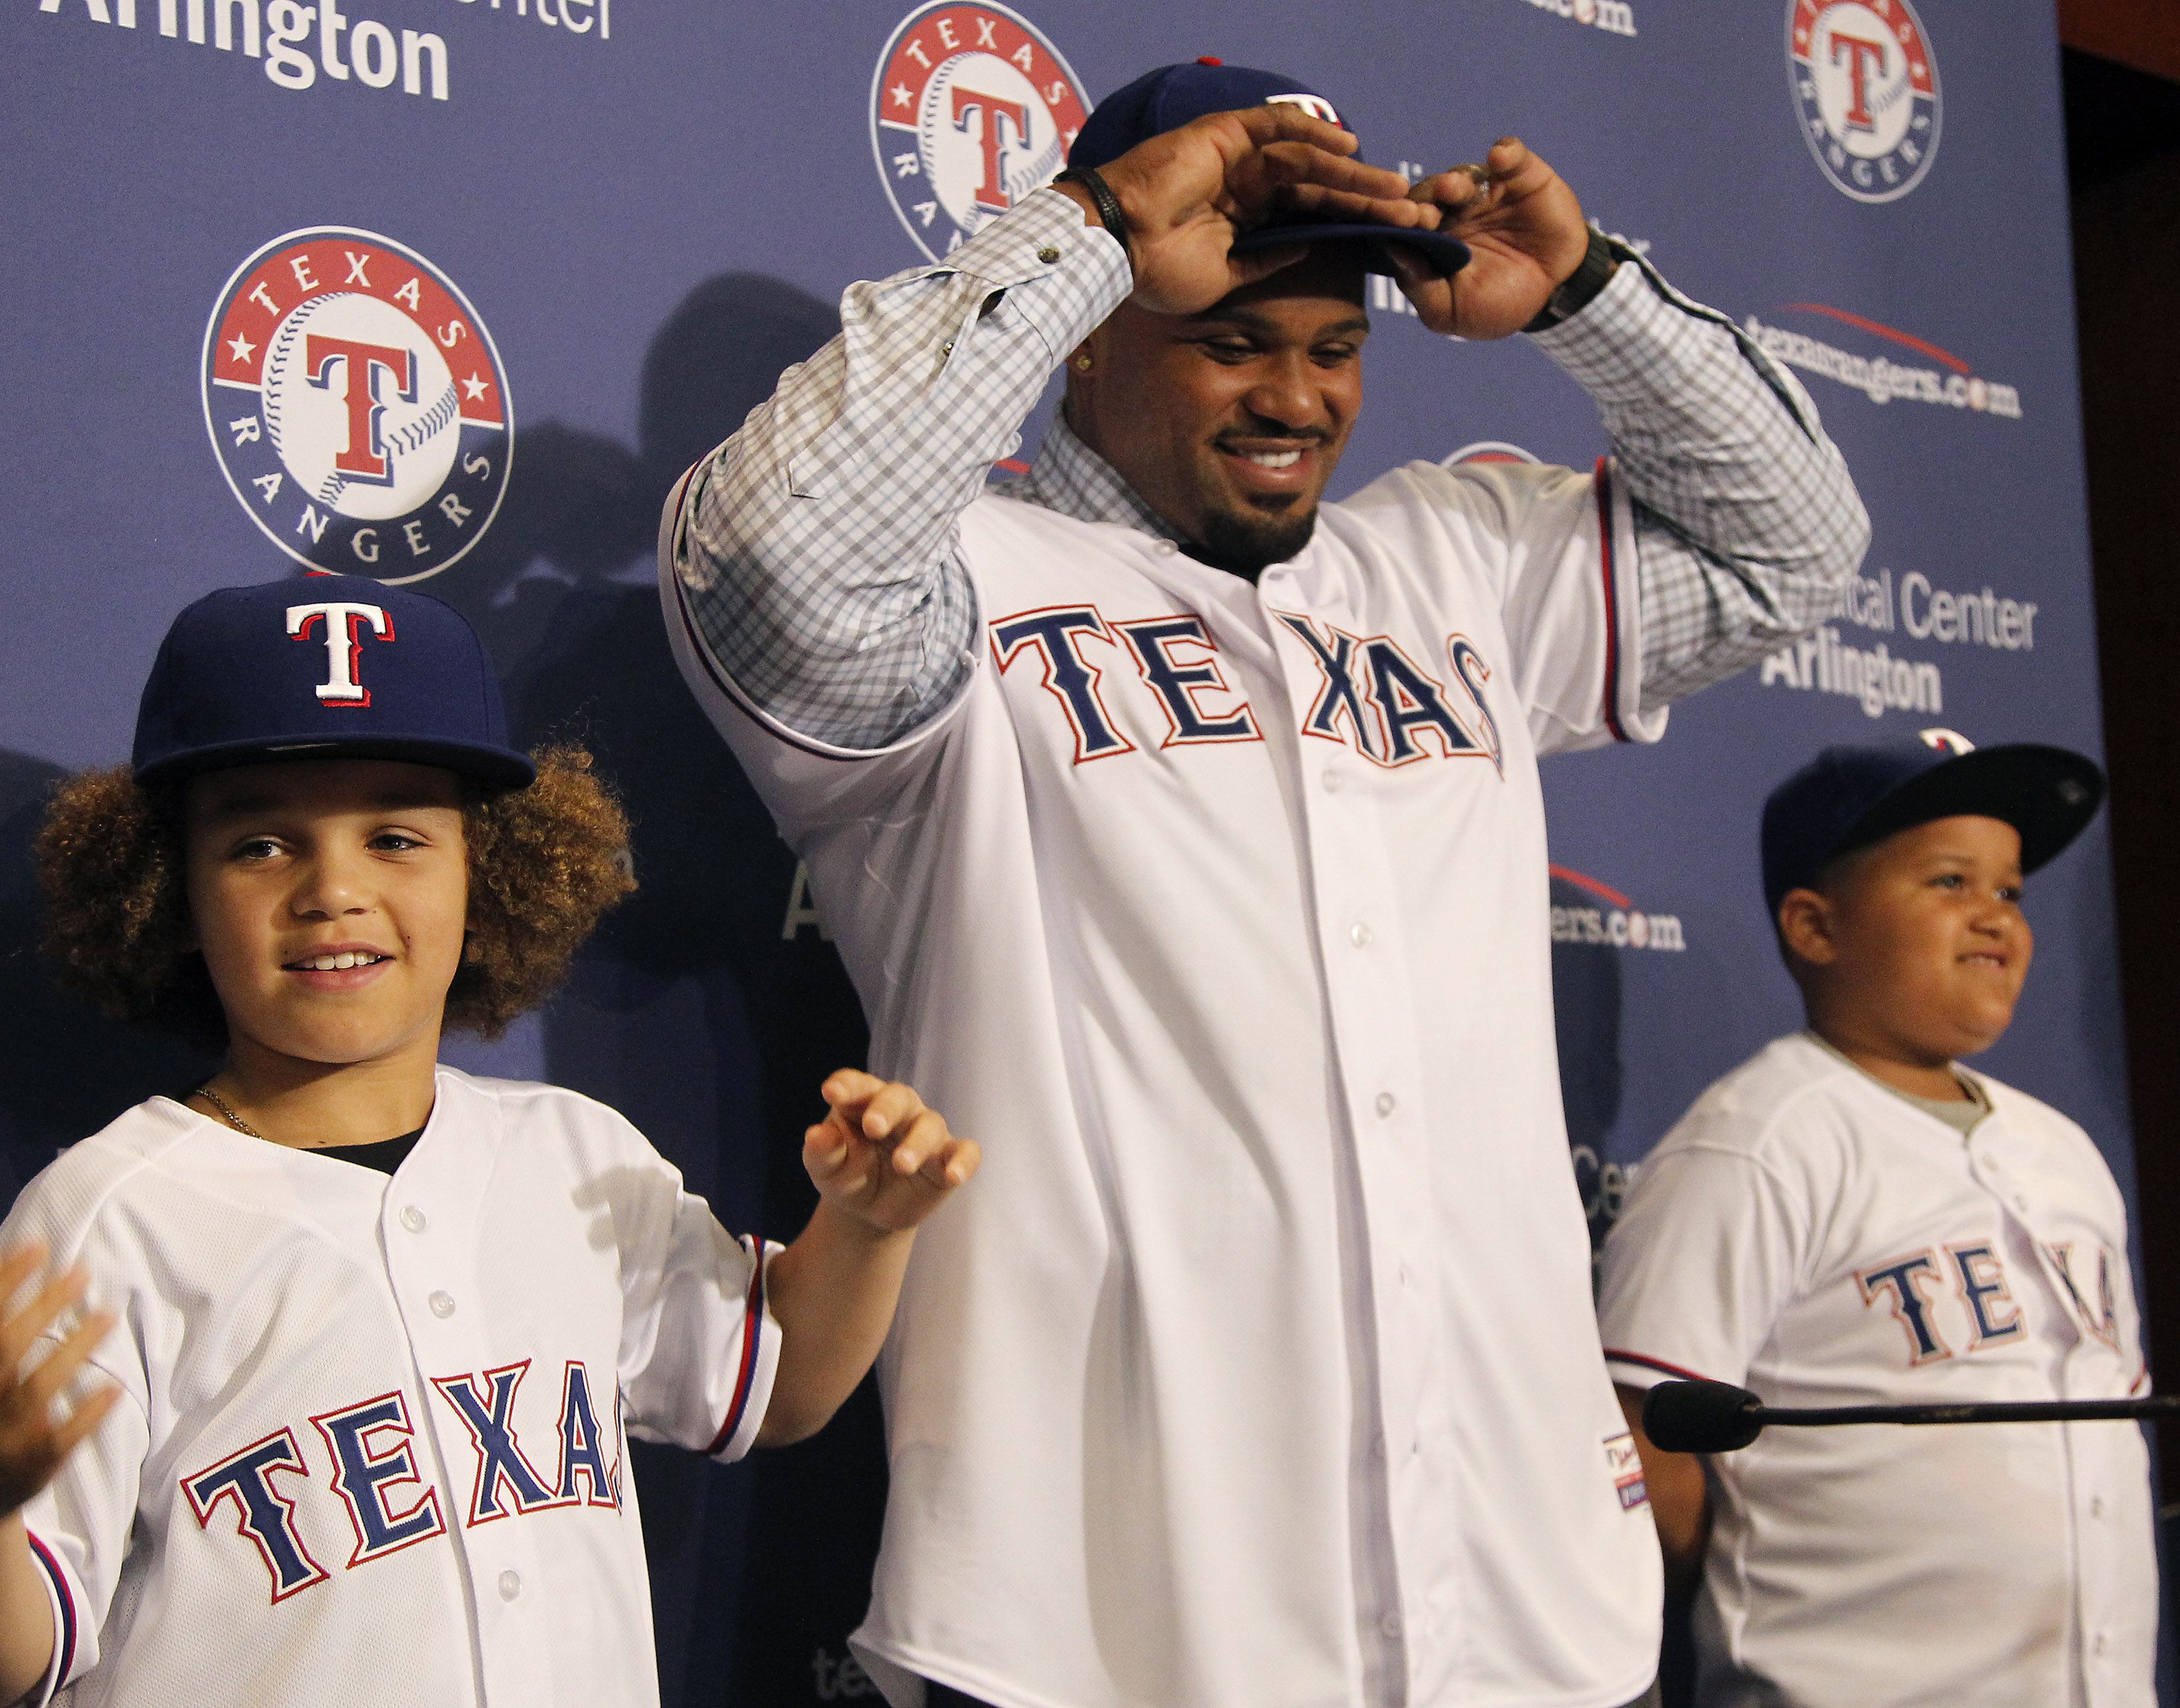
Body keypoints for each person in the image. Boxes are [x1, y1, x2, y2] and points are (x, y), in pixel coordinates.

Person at [662, 57, 1867, 1708]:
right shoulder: (958, 600)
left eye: (1336, 348)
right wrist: (1089, 229)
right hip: (1106, 1631)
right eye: (1233, 341)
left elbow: (1792, 552)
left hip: (1525, 1616)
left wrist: (1592, 300)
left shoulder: (1454, 558)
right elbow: (768, 554)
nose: (1296, 397)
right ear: (1094, 330)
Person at [0, 574, 978, 1708]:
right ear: (170, 891)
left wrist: (868, 1227)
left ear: (489, 876)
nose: (333, 889)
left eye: (395, 835)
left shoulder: (575, 1156)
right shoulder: (115, 1216)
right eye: (258, 845)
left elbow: (774, 1384)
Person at [1598, 737, 2155, 1707]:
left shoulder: (2066, 1150)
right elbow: (1650, 1450)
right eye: (1949, 880)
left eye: (2012, 892)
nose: (1994, 916)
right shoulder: (1757, 1140)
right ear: (1817, 926)